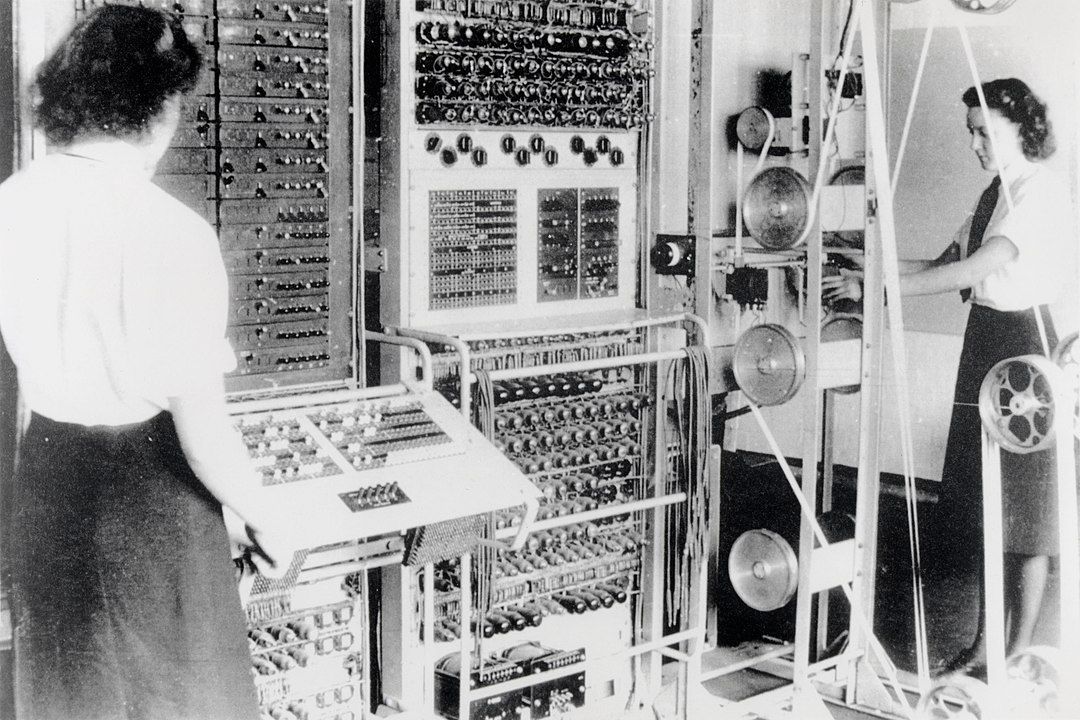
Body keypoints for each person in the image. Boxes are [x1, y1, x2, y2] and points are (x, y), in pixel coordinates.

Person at [0, 7, 295, 719]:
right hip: (154, 502)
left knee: (69, 696)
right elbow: (204, 435)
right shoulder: (172, 232)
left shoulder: (9, 205)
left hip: (47, 480)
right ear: (161, 107)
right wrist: (262, 516)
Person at [824, 78, 1069, 672]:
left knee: (1026, 509)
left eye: (984, 132)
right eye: (970, 134)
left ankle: (1017, 654)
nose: (976, 144)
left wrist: (876, 288)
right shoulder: (995, 191)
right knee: (987, 501)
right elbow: (944, 266)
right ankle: (984, 647)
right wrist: (863, 264)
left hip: (1023, 350)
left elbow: (987, 263)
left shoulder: (1040, 190)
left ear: (1019, 126)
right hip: (984, 340)